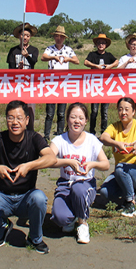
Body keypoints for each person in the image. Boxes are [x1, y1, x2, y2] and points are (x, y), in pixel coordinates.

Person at [0, 100, 56, 254]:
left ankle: (35, 238)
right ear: (6, 119)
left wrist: (29, 166)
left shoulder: (34, 138)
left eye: (19, 118)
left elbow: (51, 158)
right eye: (10, 118)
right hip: (2, 195)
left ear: (27, 120)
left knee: (39, 198)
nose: (15, 122)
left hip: (26, 196)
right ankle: (1, 231)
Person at [49, 103, 109, 243]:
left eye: (81, 118)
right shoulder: (59, 140)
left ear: (86, 121)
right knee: (60, 218)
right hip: (65, 185)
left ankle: (82, 222)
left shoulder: (91, 140)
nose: (77, 121)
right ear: (67, 119)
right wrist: (67, 162)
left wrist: (92, 164)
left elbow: (106, 164)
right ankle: (72, 216)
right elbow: (48, 161)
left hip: (85, 184)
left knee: (78, 189)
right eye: (73, 117)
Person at [99, 97, 136, 217]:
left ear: (133, 111)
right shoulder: (115, 127)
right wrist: (116, 143)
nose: (123, 112)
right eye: (120, 109)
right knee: (104, 192)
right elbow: (103, 137)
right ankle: (134, 193)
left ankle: (130, 203)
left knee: (120, 168)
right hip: (122, 172)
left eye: (127, 109)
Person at [41, 26, 79, 141]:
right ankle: (46, 136)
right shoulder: (50, 49)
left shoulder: (68, 50)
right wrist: (54, 57)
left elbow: (77, 61)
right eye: (57, 36)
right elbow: (43, 57)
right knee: (50, 112)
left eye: (61, 37)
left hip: (63, 84)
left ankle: (60, 134)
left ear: (64, 38)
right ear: (54, 37)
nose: (59, 38)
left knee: (61, 112)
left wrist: (68, 59)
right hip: (51, 84)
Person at [84, 33, 118, 135]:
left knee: (105, 112)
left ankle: (104, 132)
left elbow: (117, 62)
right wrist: (96, 66)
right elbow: (86, 62)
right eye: (99, 43)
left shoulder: (109, 55)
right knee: (94, 111)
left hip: (106, 87)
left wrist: (110, 66)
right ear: (96, 44)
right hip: (95, 86)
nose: (101, 45)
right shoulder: (92, 54)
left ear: (106, 45)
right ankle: (92, 132)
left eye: (103, 43)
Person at [7, 22, 39, 130]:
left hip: (30, 85)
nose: (25, 37)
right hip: (16, 85)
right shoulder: (13, 50)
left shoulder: (34, 50)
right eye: (23, 35)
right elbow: (10, 69)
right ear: (19, 36)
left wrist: (27, 56)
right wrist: (18, 69)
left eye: (27, 36)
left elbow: (33, 62)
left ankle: (30, 133)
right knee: (16, 109)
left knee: (30, 110)